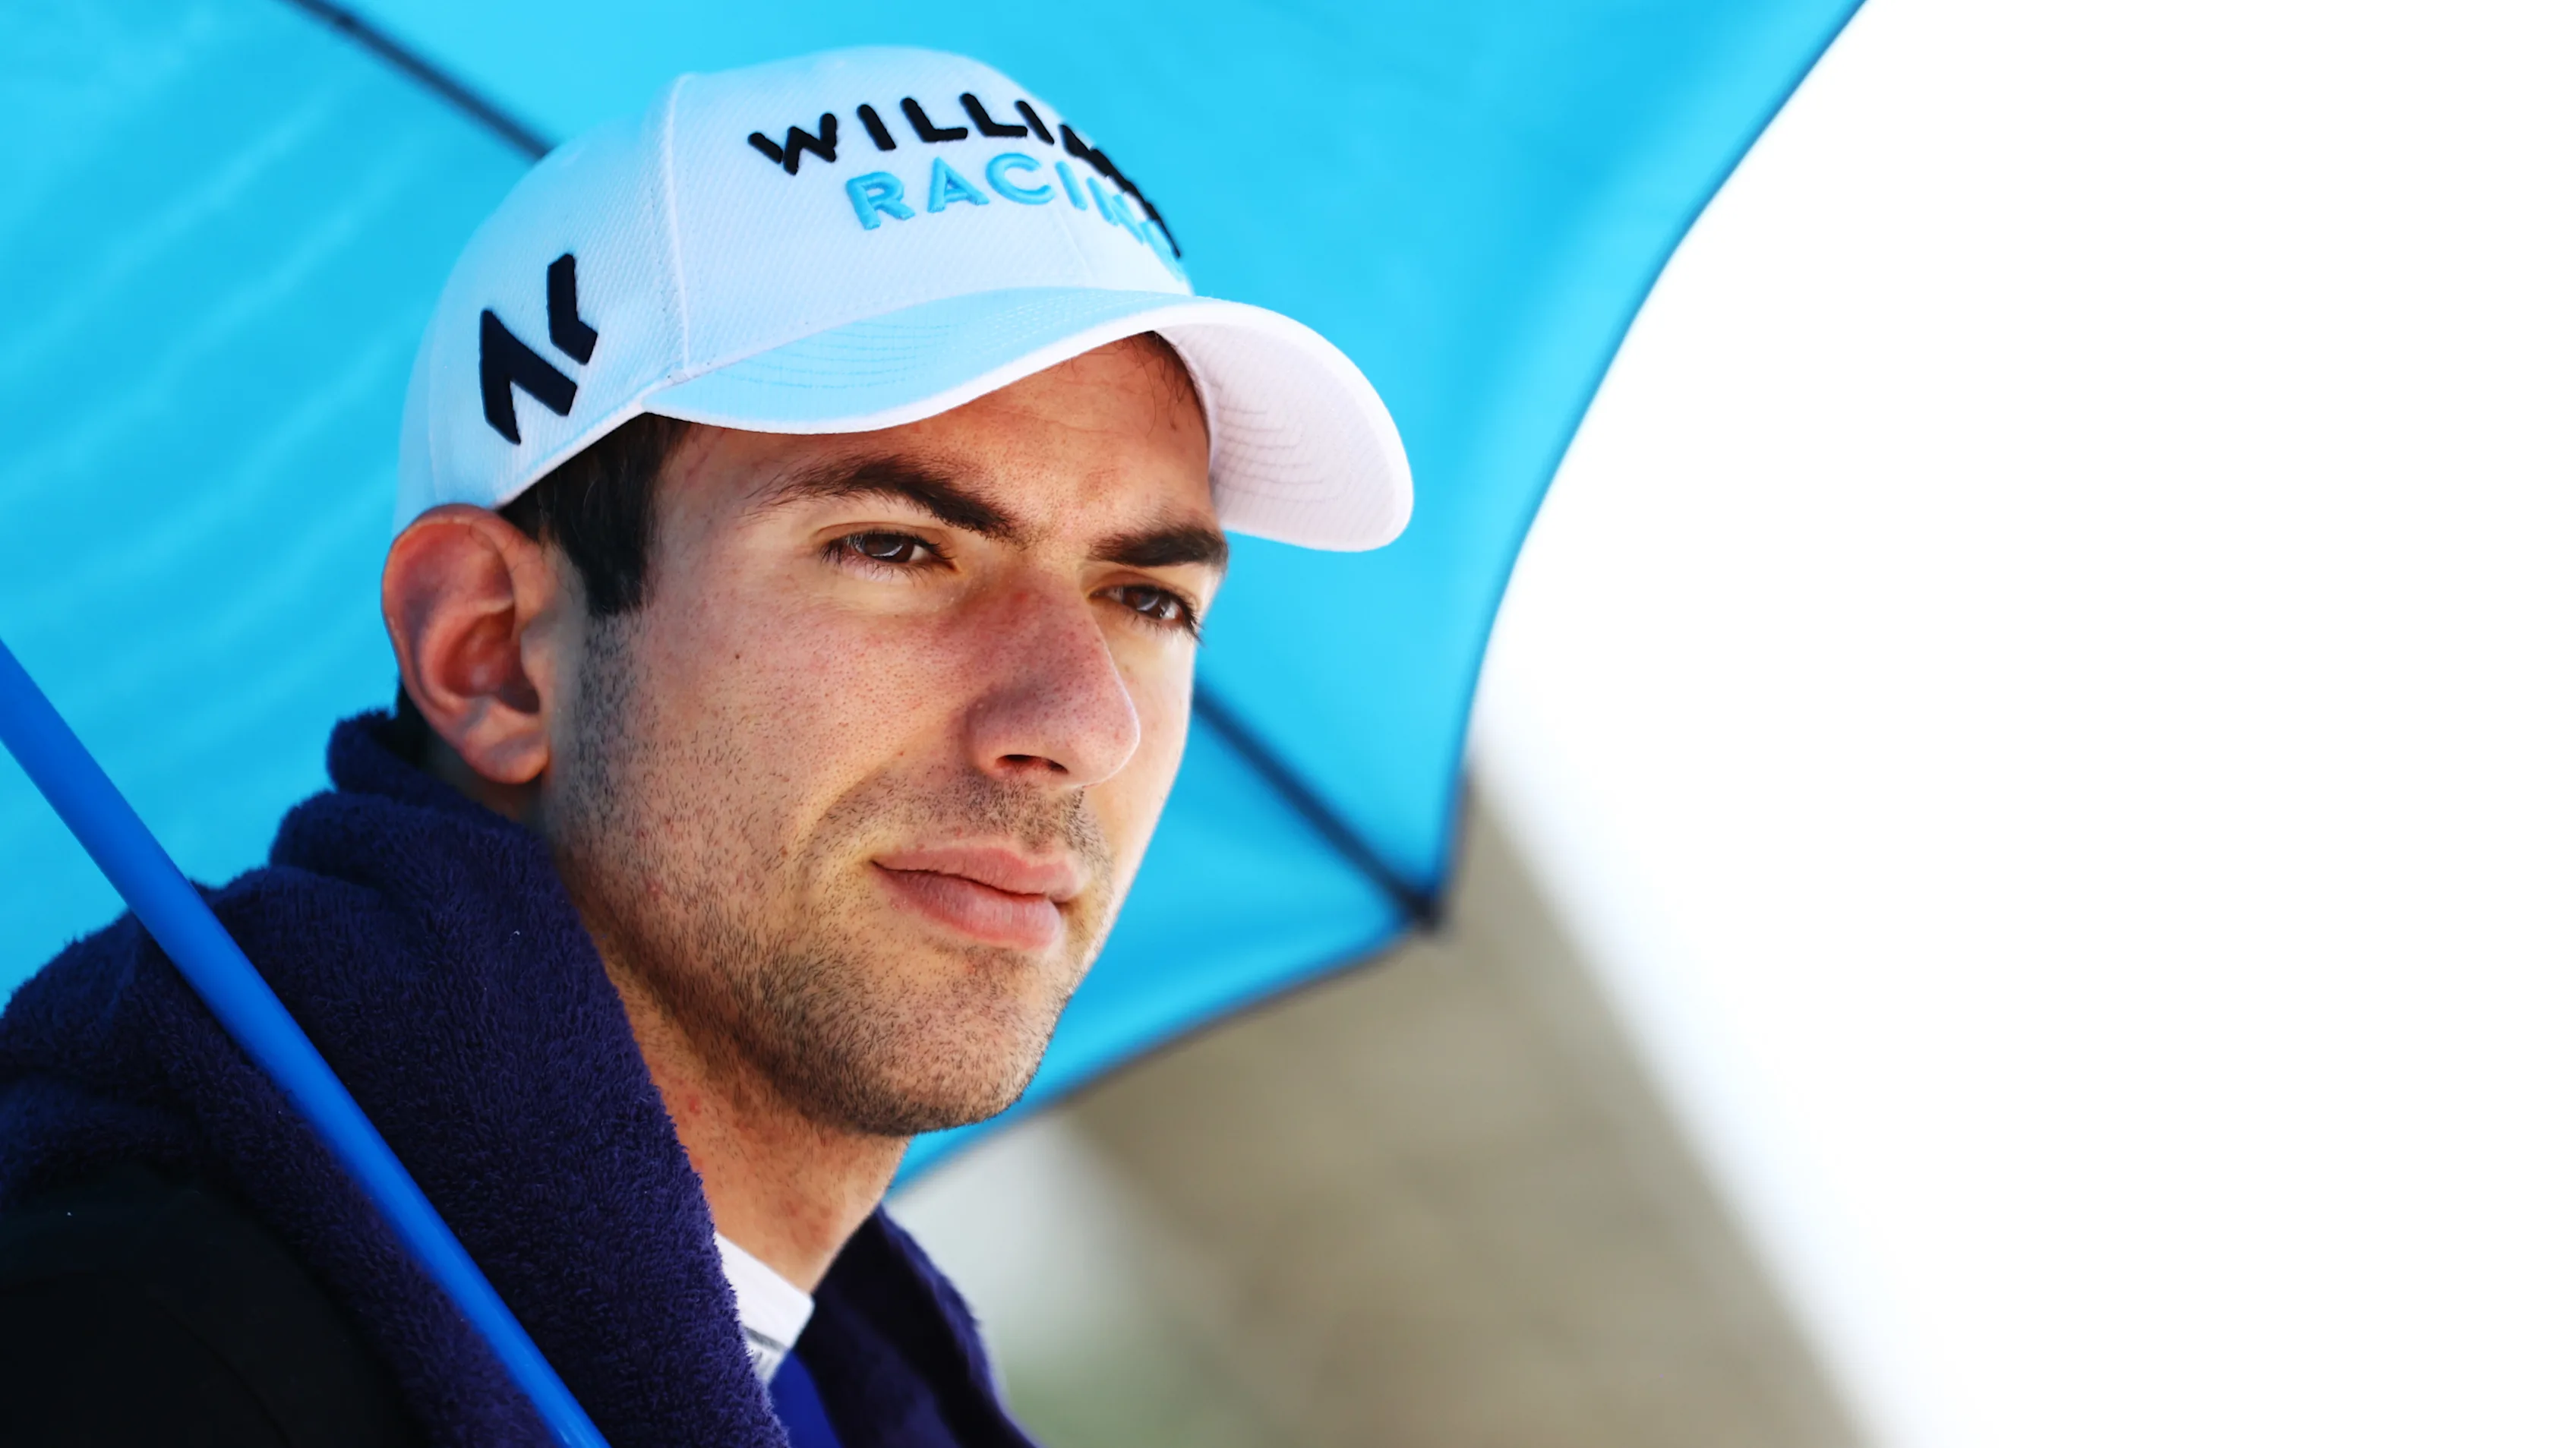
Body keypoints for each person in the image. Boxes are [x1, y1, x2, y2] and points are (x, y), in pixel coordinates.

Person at [0, 44, 1406, 1447]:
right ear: (489, 653)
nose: (1081, 721)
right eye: (897, 545)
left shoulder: (842, 1399)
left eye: (1147, 597)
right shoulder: (129, 1354)